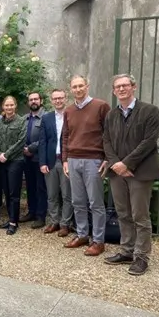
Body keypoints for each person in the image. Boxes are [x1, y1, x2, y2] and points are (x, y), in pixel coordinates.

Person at [103, 74, 159, 275]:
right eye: (117, 86)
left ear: (133, 87)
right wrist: (115, 164)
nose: (121, 89)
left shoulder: (150, 111)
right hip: (117, 173)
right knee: (123, 214)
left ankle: (141, 257)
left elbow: (149, 141)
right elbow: (107, 142)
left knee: (140, 216)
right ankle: (127, 250)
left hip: (140, 172)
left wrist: (126, 163)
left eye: (125, 85)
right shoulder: (111, 115)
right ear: (113, 91)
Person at [62, 74, 111, 256]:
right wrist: (65, 160)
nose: (78, 89)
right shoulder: (69, 110)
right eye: (74, 87)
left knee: (95, 202)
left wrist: (106, 157)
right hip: (73, 160)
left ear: (87, 86)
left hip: (93, 160)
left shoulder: (101, 106)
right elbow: (65, 136)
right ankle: (82, 235)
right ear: (71, 89)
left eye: (81, 86)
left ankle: (98, 240)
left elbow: (109, 133)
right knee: (77, 201)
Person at [38, 89, 74, 237]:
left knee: (67, 195)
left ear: (65, 98)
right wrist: (42, 162)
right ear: (51, 101)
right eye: (55, 99)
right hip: (51, 160)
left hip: (67, 161)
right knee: (52, 194)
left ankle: (65, 224)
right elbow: (42, 141)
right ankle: (54, 221)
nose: (58, 101)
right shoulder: (46, 118)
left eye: (60, 98)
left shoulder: (72, 115)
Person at [0, 96, 26, 235]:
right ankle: (10, 218)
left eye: (11, 105)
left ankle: (13, 222)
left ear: (15, 106)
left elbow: (21, 141)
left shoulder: (21, 121)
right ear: (3, 107)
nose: (9, 107)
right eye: (7, 105)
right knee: (6, 192)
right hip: (1, 162)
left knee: (14, 193)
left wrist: (6, 154)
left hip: (15, 161)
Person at [20, 92, 48, 229]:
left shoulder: (46, 117)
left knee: (41, 187)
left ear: (41, 101)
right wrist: (23, 148)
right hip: (26, 159)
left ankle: (41, 216)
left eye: (36, 99)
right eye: (31, 100)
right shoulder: (24, 118)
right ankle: (31, 212)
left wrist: (30, 148)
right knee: (30, 187)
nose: (33, 101)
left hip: (39, 158)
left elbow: (45, 138)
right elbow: (20, 137)